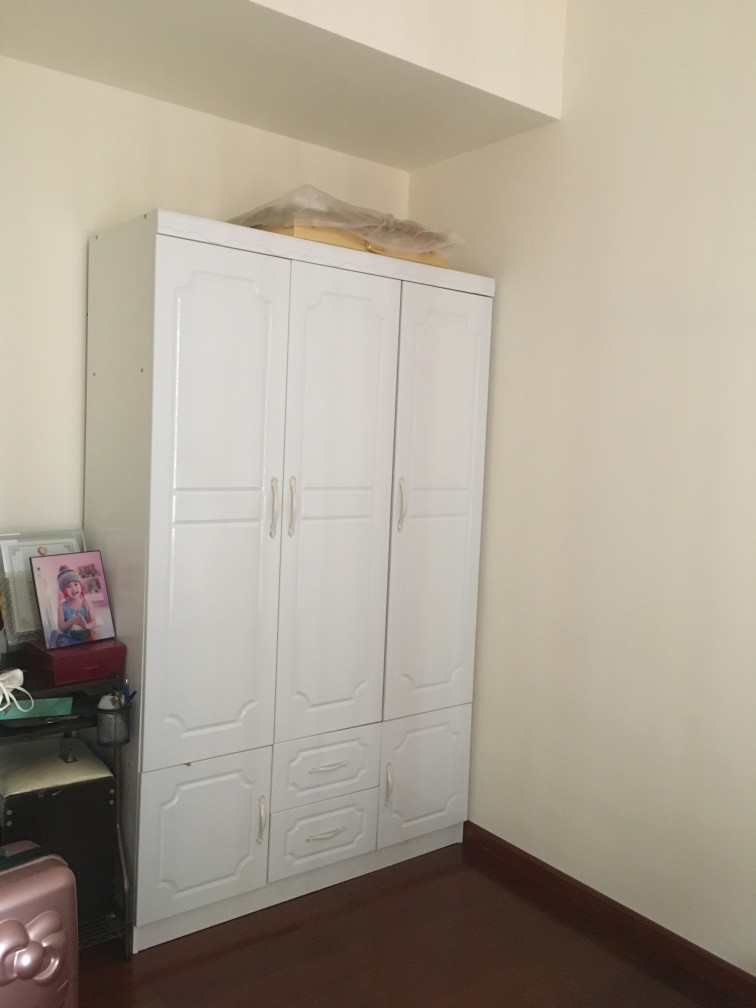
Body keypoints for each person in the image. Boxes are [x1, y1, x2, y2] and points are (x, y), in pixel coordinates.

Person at [55, 564, 97, 646]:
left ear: (80, 585)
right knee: (62, 643)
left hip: (85, 636)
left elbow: (93, 621)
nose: (73, 589)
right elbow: (61, 628)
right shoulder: (61, 607)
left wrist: (86, 626)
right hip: (69, 637)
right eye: (68, 586)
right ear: (64, 590)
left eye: (76, 584)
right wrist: (70, 622)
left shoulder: (87, 604)